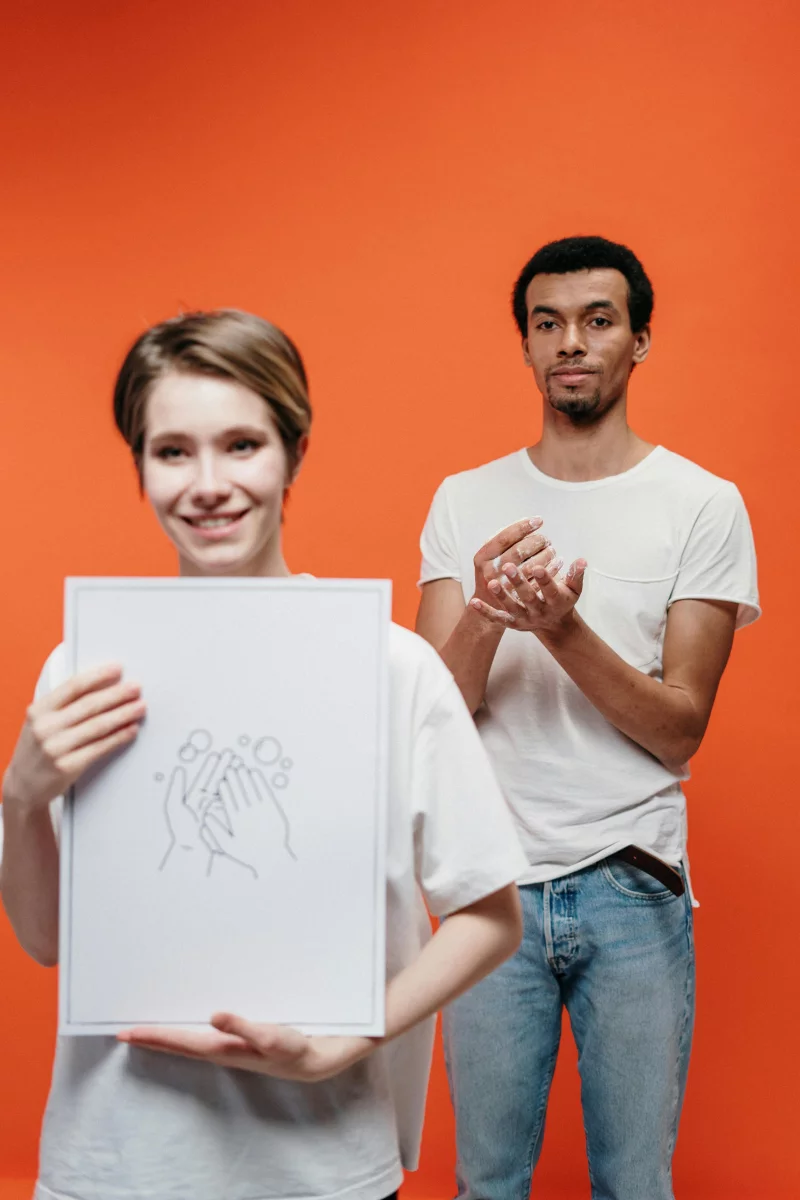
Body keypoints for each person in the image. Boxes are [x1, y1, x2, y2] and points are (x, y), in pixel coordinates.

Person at [0, 309, 528, 1200]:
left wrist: (338, 1045)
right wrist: (19, 799)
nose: (207, 483)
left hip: (321, 1165)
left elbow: (490, 915)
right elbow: (49, 942)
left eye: (241, 445)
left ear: (294, 453)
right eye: (172, 452)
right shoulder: (85, 661)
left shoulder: (391, 665)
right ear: (141, 467)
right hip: (113, 1164)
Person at [415, 236, 760, 1200]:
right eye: (548, 323)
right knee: (486, 1181)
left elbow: (680, 726)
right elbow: (434, 713)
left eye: (597, 321)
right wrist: (486, 612)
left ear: (639, 340)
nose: (572, 341)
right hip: (491, 887)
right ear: (526, 346)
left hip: (633, 882)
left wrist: (561, 629)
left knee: (633, 1183)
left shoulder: (702, 505)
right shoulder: (464, 499)